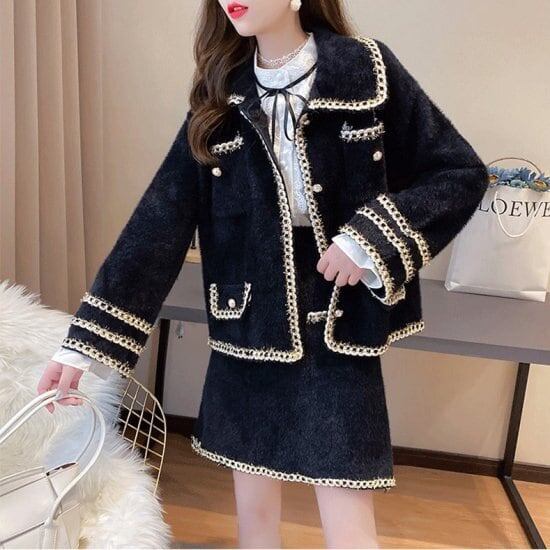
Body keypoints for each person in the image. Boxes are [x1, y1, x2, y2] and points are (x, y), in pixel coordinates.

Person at [38, 0, 489, 547]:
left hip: (339, 317)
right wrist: (84, 344)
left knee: (349, 517)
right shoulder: (220, 96)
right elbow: (160, 221)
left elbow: (459, 172)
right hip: (249, 322)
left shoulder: (364, 70)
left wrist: (370, 240)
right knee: (254, 520)